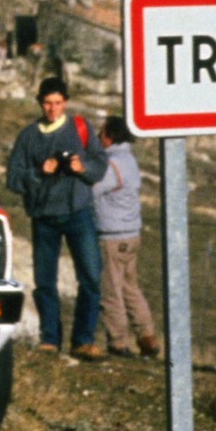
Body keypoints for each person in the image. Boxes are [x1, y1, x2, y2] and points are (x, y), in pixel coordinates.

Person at [6, 76, 109, 360]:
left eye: (58, 103)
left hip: (79, 213)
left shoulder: (81, 128)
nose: (52, 109)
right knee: (45, 282)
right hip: (44, 218)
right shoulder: (28, 137)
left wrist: (81, 167)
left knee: (90, 278)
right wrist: (40, 172)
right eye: (47, 103)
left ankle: (83, 341)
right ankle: (50, 339)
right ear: (40, 103)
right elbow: (13, 179)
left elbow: (100, 166)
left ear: (66, 103)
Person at [91, 116, 159, 358]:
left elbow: (93, 189)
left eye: (101, 133)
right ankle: (147, 337)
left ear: (109, 136)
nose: (98, 137)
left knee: (110, 291)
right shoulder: (129, 159)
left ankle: (118, 342)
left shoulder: (112, 164)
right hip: (131, 234)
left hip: (111, 234)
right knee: (130, 288)